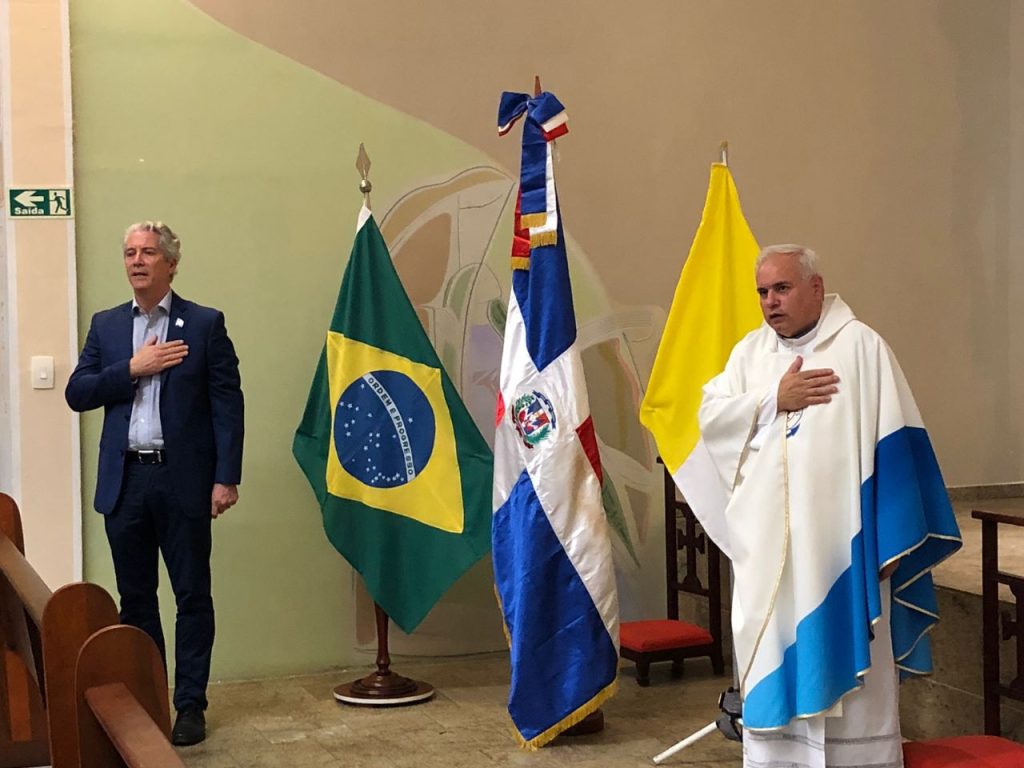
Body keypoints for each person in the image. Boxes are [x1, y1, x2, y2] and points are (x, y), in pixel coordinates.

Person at [696, 245, 960, 768]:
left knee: (854, 683)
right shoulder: (749, 355)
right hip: (771, 560)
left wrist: (890, 538)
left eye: (782, 288)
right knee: (773, 654)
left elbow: (896, 446)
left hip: (844, 555)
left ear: (816, 288)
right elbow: (710, 420)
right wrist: (773, 399)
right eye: (762, 292)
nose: (770, 302)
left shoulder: (861, 348)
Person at [66, 221, 244, 747]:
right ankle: (149, 700)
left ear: (170, 263)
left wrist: (226, 478)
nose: (137, 261)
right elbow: (78, 392)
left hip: (181, 478)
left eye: (147, 252)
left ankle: (189, 705)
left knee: (192, 596)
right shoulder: (107, 326)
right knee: (136, 599)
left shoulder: (204, 324)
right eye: (129, 253)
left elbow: (227, 405)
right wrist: (132, 367)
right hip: (125, 481)